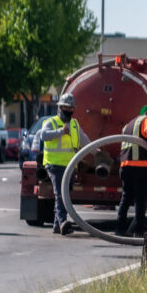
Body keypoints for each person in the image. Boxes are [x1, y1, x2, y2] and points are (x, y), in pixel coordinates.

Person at [40, 93, 90, 235]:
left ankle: (57, 224)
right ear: (60, 108)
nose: (69, 110)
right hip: (55, 164)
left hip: (70, 165)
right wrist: (61, 131)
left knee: (65, 193)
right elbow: (43, 135)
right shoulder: (52, 122)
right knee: (60, 194)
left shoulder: (74, 124)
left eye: (71, 108)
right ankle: (63, 222)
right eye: (66, 107)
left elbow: (83, 138)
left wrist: (95, 149)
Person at [116, 105, 147, 236]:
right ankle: (139, 231)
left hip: (125, 166)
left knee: (126, 197)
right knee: (141, 200)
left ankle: (119, 229)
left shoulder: (129, 125)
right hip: (139, 167)